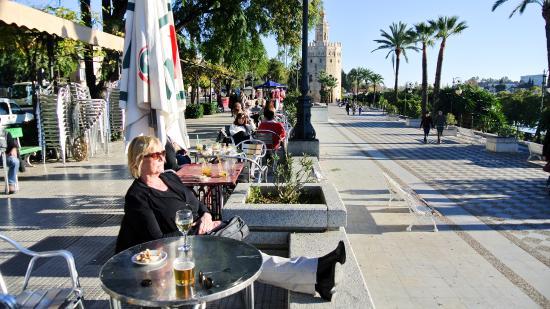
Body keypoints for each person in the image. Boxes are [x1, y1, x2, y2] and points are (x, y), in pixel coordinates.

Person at [116, 136, 346, 301]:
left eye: (162, 153)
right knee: (250, 260)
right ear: (139, 160)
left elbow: (200, 206)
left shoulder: (170, 179)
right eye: (154, 154)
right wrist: (198, 229)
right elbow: (158, 242)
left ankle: (316, 273)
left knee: (251, 258)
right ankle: (317, 271)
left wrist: (206, 217)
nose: (162, 158)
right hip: (177, 258)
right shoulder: (137, 196)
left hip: (202, 239)